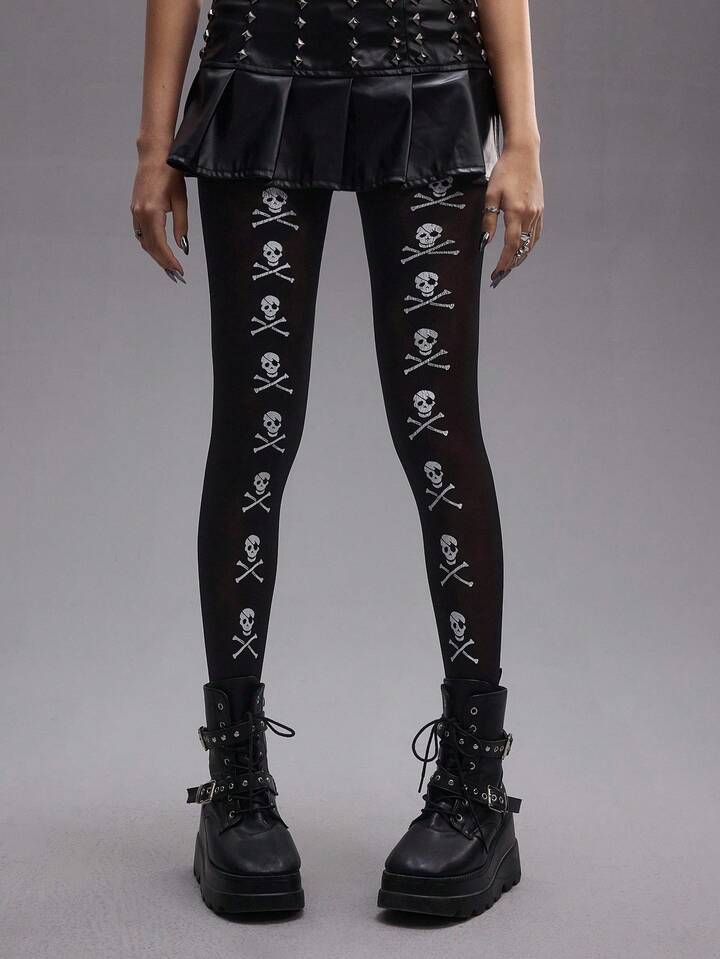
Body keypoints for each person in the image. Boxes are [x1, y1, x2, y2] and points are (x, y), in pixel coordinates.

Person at [131, 0, 543, 919]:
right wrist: (154, 145)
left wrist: (523, 137)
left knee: (437, 432)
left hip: (427, 66)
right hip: (258, 70)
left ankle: (476, 786)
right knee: (254, 432)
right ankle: (235, 780)